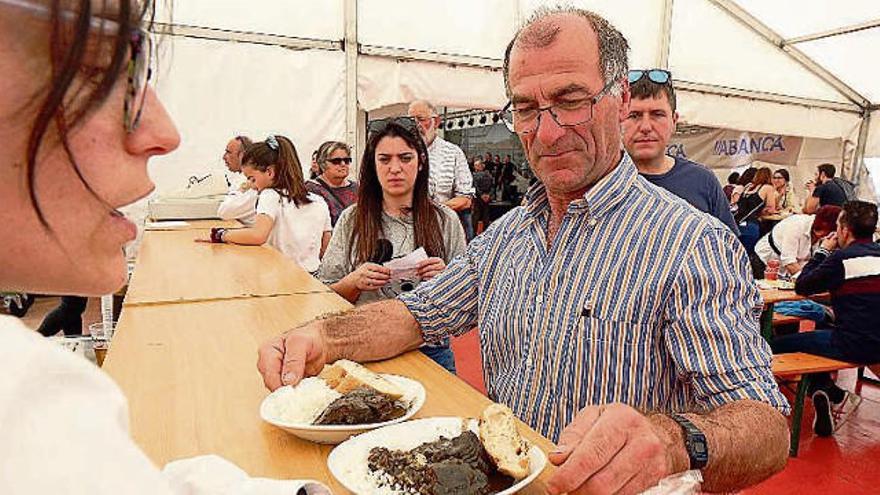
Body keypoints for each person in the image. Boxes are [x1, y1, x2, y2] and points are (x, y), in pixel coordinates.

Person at [257, 7, 789, 494]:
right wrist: (323, 335)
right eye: (527, 108)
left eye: (571, 102)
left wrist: (674, 441)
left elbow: (767, 424)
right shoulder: (506, 236)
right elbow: (416, 315)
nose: (547, 132)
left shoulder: (691, 243)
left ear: (620, 99)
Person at [0, 2, 329, 493]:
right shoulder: (26, 393)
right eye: (96, 66)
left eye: (134, 67)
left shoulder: (31, 393)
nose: (164, 133)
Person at [317, 119, 466, 373]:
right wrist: (353, 282)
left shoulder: (445, 220)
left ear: (420, 162)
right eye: (384, 159)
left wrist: (446, 281)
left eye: (405, 158)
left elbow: (465, 303)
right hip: (364, 348)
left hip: (431, 350)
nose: (395, 168)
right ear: (373, 165)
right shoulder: (352, 220)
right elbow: (325, 295)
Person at [773, 201, 880, 436]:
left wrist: (823, 251)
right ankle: (828, 391)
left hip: (852, 345)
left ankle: (830, 393)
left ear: (844, 230)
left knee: (774, 345)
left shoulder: (841, 259)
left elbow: (802, 286)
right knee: (820, 328)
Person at [622, 69, 739, 234]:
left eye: (657, 114)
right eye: (634, 115)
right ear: (619, 119)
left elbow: (729, 251)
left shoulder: (702, 181)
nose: (646, 127)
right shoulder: (602, 182)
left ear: (674, 121)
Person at [207, 135, 332, 274]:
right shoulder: (319, 201)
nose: (253, 186)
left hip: (281, 276)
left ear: (270, 172)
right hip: (312, 278)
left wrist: (221, 235)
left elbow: (258, 235)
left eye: (252, 179)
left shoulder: (270, 195)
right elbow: (326, 247)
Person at [408, 100, 476, 240]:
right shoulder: (398, 153)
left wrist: (432, 209)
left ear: (436, 122)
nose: (416, 125)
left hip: (442, 232)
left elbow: (465, 200)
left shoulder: (453, 152)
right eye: (411, 121)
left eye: (421, 119)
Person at [753, 205, 840, 277]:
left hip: (792, 268)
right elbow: (789, 262)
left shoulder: (830, 235)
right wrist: (807, 281)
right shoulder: (796, 226)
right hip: (764, 262)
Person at [305, 140, 358, 226]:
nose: (343, 164)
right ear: (323, 164)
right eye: (336, 161)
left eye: (347, 160)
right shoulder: (311, 189)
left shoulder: (357, 188)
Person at [734, 167, 777, 253]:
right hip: (751, 225)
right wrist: (762, 212)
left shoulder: (748, 186)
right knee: (748, 255)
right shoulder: (768, 188)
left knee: (737, 253)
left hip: (736, 223)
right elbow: (770, 209)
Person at [217, 135, 258, 225]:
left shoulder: (254, 184)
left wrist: (242, 189)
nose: (224, 157)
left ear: (242, 156)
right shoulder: (239, 179)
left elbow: (224, 212)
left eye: (228, 152)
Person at [471, 156, 494, 233]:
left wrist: (481, 195)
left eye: (475, 165)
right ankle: (485, 234)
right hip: (487, 199)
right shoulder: (489, 175)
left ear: (479, 166)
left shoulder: (474, 176)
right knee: (486, 217)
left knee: (475, 218)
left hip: (478, 198)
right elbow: (493, 186)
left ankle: (473, 235)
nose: (474, 167)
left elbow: (475, 187)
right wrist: (488, 195)